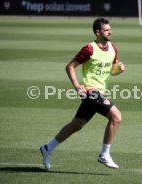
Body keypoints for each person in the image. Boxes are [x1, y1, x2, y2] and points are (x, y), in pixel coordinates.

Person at [40, 18, 125, 170]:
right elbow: (70, 67)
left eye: (110, 29)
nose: (110, 32)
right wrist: (77, 86)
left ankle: (48, 148)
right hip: (90, 91)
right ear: (98, 32)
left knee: (77, 125)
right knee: (116, 117)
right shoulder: (89, 49)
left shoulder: (113, 48)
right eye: (106, 30)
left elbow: (112, 70)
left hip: (101, 92)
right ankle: (104, 154)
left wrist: (119, 69)